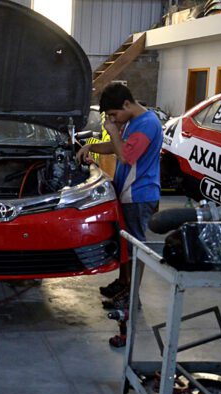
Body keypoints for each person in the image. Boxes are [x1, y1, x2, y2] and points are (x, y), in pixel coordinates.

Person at [76, 83, 162, 309]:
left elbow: (125, 156)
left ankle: (131, 297)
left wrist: (113, 130)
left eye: (114, 114)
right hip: (127, 192)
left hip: (139, 194)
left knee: (135, 247)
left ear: (126, 104)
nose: (113, 119)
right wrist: (90, 147)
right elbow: (117, 147)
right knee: (125, 243)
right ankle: (124, 283)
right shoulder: (133, 121)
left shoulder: (147, 124)